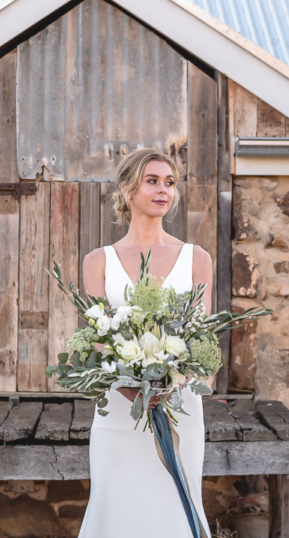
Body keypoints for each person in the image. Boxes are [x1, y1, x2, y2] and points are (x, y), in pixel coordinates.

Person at [76, 147, 213, 538]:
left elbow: (201, 336)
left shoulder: (196, 258)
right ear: (127, 187)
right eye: (152, 181)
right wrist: (131, 389)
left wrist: (171, 383)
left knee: (173, 505)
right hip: (119, 408)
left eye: (169, 183)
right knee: (115, 505)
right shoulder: (98, 260)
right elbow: (97, 339)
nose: (163, 190)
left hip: (179, 405)